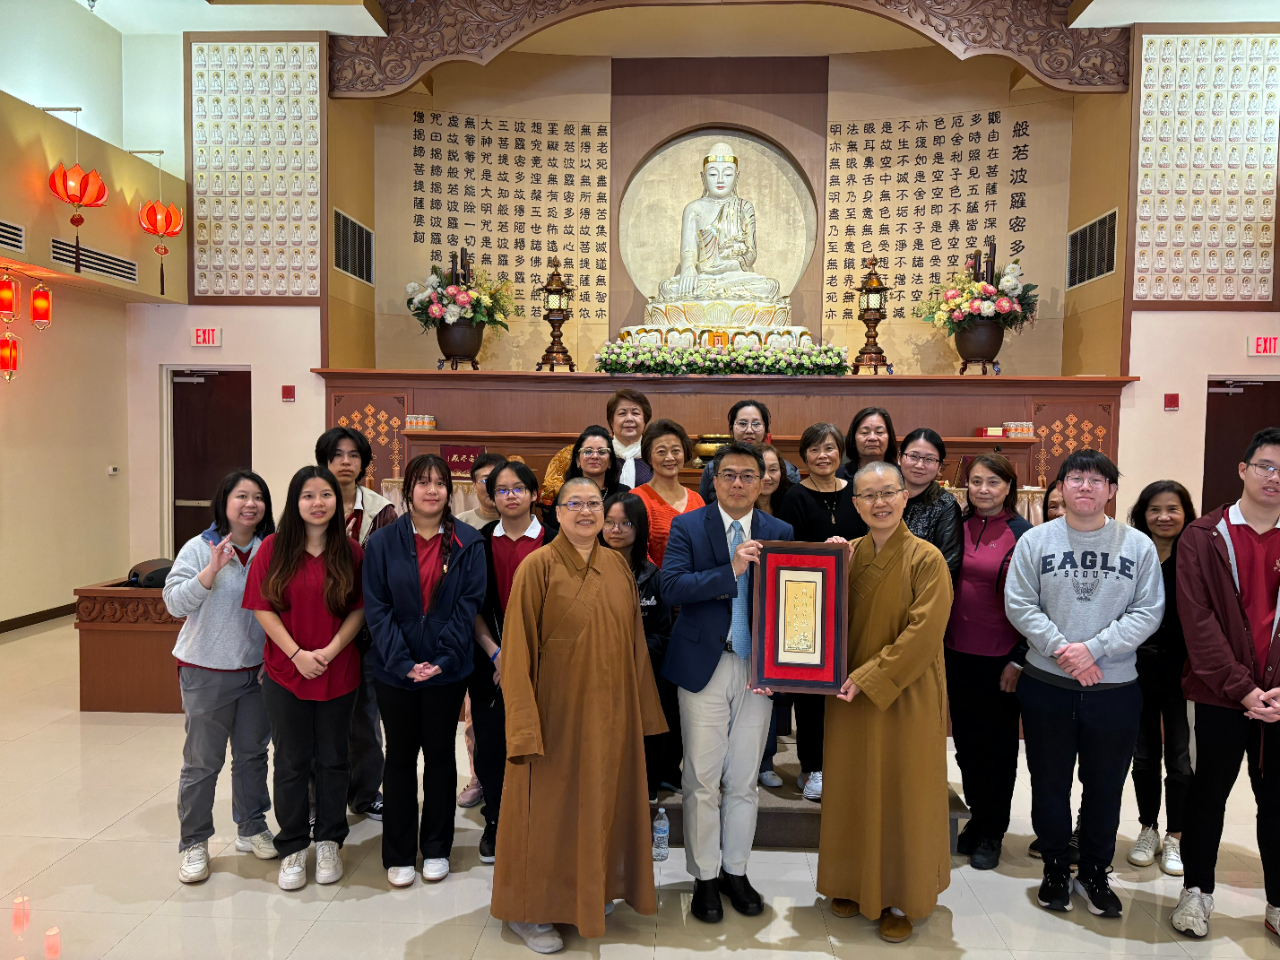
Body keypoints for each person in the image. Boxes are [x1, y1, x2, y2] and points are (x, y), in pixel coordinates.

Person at [492, 477, 667, 954]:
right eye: (576, 504)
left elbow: (634, 644)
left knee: (598, 802)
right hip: (555, 714)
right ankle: (530, 911)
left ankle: (587, 892)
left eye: (594, 504)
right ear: (557, 511)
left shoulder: (616, 566)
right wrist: (524, 724)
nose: (587, 513)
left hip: (609, 711)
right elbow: (518, 653)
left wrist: (639, 715)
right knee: (546, 810)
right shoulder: (537, 567)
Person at [1005, 450, 1164, 918]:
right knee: (1049, 782)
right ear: (1061, 488)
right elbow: (1020, 605)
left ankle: (1095, 871)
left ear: (1112, 491)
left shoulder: (1137, 545)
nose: (1086, 487)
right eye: (1076, 479)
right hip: (1047, 685)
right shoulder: (1036, 541)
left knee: (1105, 787)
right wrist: (1065, 652)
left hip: (1114, 689)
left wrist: (1091, 651)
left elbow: (1148, 611)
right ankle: (1056, 866)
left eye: (1098, 480)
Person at [818, 461, 954, 943]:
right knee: (854, 786)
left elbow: (924, 631)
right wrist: (829, 569)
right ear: (854, 504)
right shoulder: (847, 554)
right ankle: (853, 881)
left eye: (888, 493)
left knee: (904, 791)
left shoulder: (927, 558)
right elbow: (814, 616)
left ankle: (902, 896)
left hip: (904, 692)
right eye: (867, 495)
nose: (878, 502)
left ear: (904, 498)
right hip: (849, 693)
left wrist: (873, 676)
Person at [661, 443, 794, 924]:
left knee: (743, 779)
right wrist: (730, 571)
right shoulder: (688, 525)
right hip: (705, 666)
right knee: (701, 779)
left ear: (763, 482)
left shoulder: (780, 531)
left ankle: (736, 870)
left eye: (748, 475)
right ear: (713, 481)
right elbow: (670, 586)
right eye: (729, 475)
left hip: (759, 671)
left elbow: (792, 600)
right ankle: (704, 875)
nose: (738, 483)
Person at [1171, 427, 1280, 940]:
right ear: (1243, 470)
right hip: (1220, 694)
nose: (1274, 478)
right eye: (1266, 466)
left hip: (1279, 698)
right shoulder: (1204, 535)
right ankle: (1196, 891)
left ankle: (1277, 901)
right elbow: (1199, 622)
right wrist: (1242, 689)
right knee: (1208, 793)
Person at [362, 454, 487, 888]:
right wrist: (402, 662)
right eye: (423, 482)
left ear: (449, 492)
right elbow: (377, 611)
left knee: (439, 759)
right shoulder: (381, 543)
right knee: (398, 759)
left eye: (439, 483)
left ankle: (436, 847)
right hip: (394, 672)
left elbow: (468, 608)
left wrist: (442, 660)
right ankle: (398, 852)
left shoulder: (469, 542)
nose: (431, 490)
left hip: (447, 671)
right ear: (407, 490)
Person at [243, 466, 367, 892]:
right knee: (292, 761)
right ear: (295, 503)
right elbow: (262, 606)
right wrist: (296, 654)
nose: (318, 503)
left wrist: (329, 652)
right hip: (285, 672)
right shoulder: (274, 549)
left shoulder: (351, 551)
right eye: (308, 495)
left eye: (326, 495)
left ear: (337, 501)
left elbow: (359, 609)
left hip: (339, 670)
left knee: (334, 758)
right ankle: (293, 844)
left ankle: (330, 839)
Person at [166, 470, 277, 884]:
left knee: (252, 755)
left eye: (258, 497)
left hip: (258, 673)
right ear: (224, 502)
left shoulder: (272, 548)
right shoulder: (200, 547)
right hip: (206, 670)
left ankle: (252, 827)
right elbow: (175, 604)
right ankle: (194, 842)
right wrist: (209, 572)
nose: (251, 504)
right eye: (241, 496)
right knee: (202, 763)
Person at [946, 454, 1032, 871]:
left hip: (1002, 659)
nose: (983, 489)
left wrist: (1019, 660)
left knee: (997, 749)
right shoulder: (955, 528)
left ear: (1008, 487)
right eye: (975, 481)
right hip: (955, 652)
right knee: (965, 746)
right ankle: (977, 817)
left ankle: (993, 830)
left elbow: (1038, 605)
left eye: (992, 482)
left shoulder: (1025, 534)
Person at [779, 423, 865, 802]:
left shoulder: (858, 492)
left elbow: (875, 537)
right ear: (804, 456)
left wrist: (851, 549)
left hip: (854, 601)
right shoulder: (794, 496)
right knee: (811, 690)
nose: (823, 456)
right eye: (814, 449)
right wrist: (823, 552)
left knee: (849, 685)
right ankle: (812, 766)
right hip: (807, 604)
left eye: (829, 448)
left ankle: (846, 762)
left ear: (841, 451)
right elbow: (787, 552)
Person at [315, 426, 396, 822]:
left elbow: (387, 573)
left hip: (365, 632)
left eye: (353, 455)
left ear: (364, 463)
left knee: (365, 714)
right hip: (313, 629)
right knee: (318, 716)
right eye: (337, 454)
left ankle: (365, 792)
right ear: (324, 461)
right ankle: (319, 796)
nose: (345, 462)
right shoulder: (309, 504)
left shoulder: (381, 511)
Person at [472, 459, 546, 864]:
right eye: (502, 489)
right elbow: (471, 607)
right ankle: (496, 820)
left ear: (534, 494)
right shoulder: (478, 542)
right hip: (491, 664)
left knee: (542, 745)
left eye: (519, 487)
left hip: (546, 665)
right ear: (491, 497)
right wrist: (499, 654)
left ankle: (539, 821)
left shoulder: (555, 539)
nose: (511, 495)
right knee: (492, 748)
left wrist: (526, 659)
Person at [1126, 480, 1196, 876]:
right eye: (1155, 509)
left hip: (1186, 671)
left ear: (1186, 513)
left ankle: (1178, 835)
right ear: (1143, 514)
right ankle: (1148, 828)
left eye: (1172, 509)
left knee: (1182, 759)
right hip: (1137, 667)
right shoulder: (1134, 552)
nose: (1163, 517)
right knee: (1144, 754)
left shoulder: (1198, 555)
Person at [602, 491, 681, 800]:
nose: (616, 530)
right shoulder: (586, 572)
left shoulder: (653, 577)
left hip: (643, 671)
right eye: (609, 522)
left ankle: (648, 783)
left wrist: (630, 655)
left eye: (625, 523)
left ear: (640, 528)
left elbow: (662, 634)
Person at [456, 451, 508, 807]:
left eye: (500, 482)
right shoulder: (460, 524)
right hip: (470, 638)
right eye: (484, 481)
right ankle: (478, 778)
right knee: (475, 718)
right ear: (474, 486)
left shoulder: (530, 526)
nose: (492, 488)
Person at [754, 443, 791, 790]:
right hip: (735, 614)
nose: (766, 477)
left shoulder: (786, 517)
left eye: (773, 469)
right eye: (758, 470)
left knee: (765, 695)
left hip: (776, 614)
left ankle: (765, 761)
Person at [699, 400, 801, 504]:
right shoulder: (713, 468)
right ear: (731, 428)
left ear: (766, 429)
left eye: (756, 424)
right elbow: (703, 509)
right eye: (742, 423)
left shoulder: (788, 470)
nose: (749, 430)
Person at [634, 418, 705, 566]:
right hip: (657, 586)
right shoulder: (638, 499)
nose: (670, 457)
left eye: (676, 451)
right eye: (661, 451)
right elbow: (638, 555)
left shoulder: (697, 499)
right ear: (648, 456)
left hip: (696, 584)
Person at [544, 425, 630, 540]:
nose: (595, 456)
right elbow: (552, 535)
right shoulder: (566, 493)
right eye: (588, 451)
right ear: (578, 460)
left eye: (602, 451)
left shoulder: (624, 494)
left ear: (610, 461)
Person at [900, 428, 962, 581]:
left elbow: (949, 565)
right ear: (900, 457)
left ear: (940, 466)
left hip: (922, 595)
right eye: (913, 456)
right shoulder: (885, 494)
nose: (920, 465)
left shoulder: (945, 505)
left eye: (929, 459)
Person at [607, 388, 654, 488]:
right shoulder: (602, 454)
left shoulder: (654, 454)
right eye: (622, 413)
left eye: (635, 413)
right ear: (611, 421)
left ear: (644, 421)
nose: (629, 418)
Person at [835, 406, 898, 480]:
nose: (872, 438)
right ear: (853, 438)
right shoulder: (838, 476)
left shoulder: (902, 475)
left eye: (879, 432)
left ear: (889, 437)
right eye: (865, 432)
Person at [456, 451, 506, 529]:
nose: (493, 486)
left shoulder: (522, 522)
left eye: (499, 479)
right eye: (485, 481)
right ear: (474, 486)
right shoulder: (461, 522)